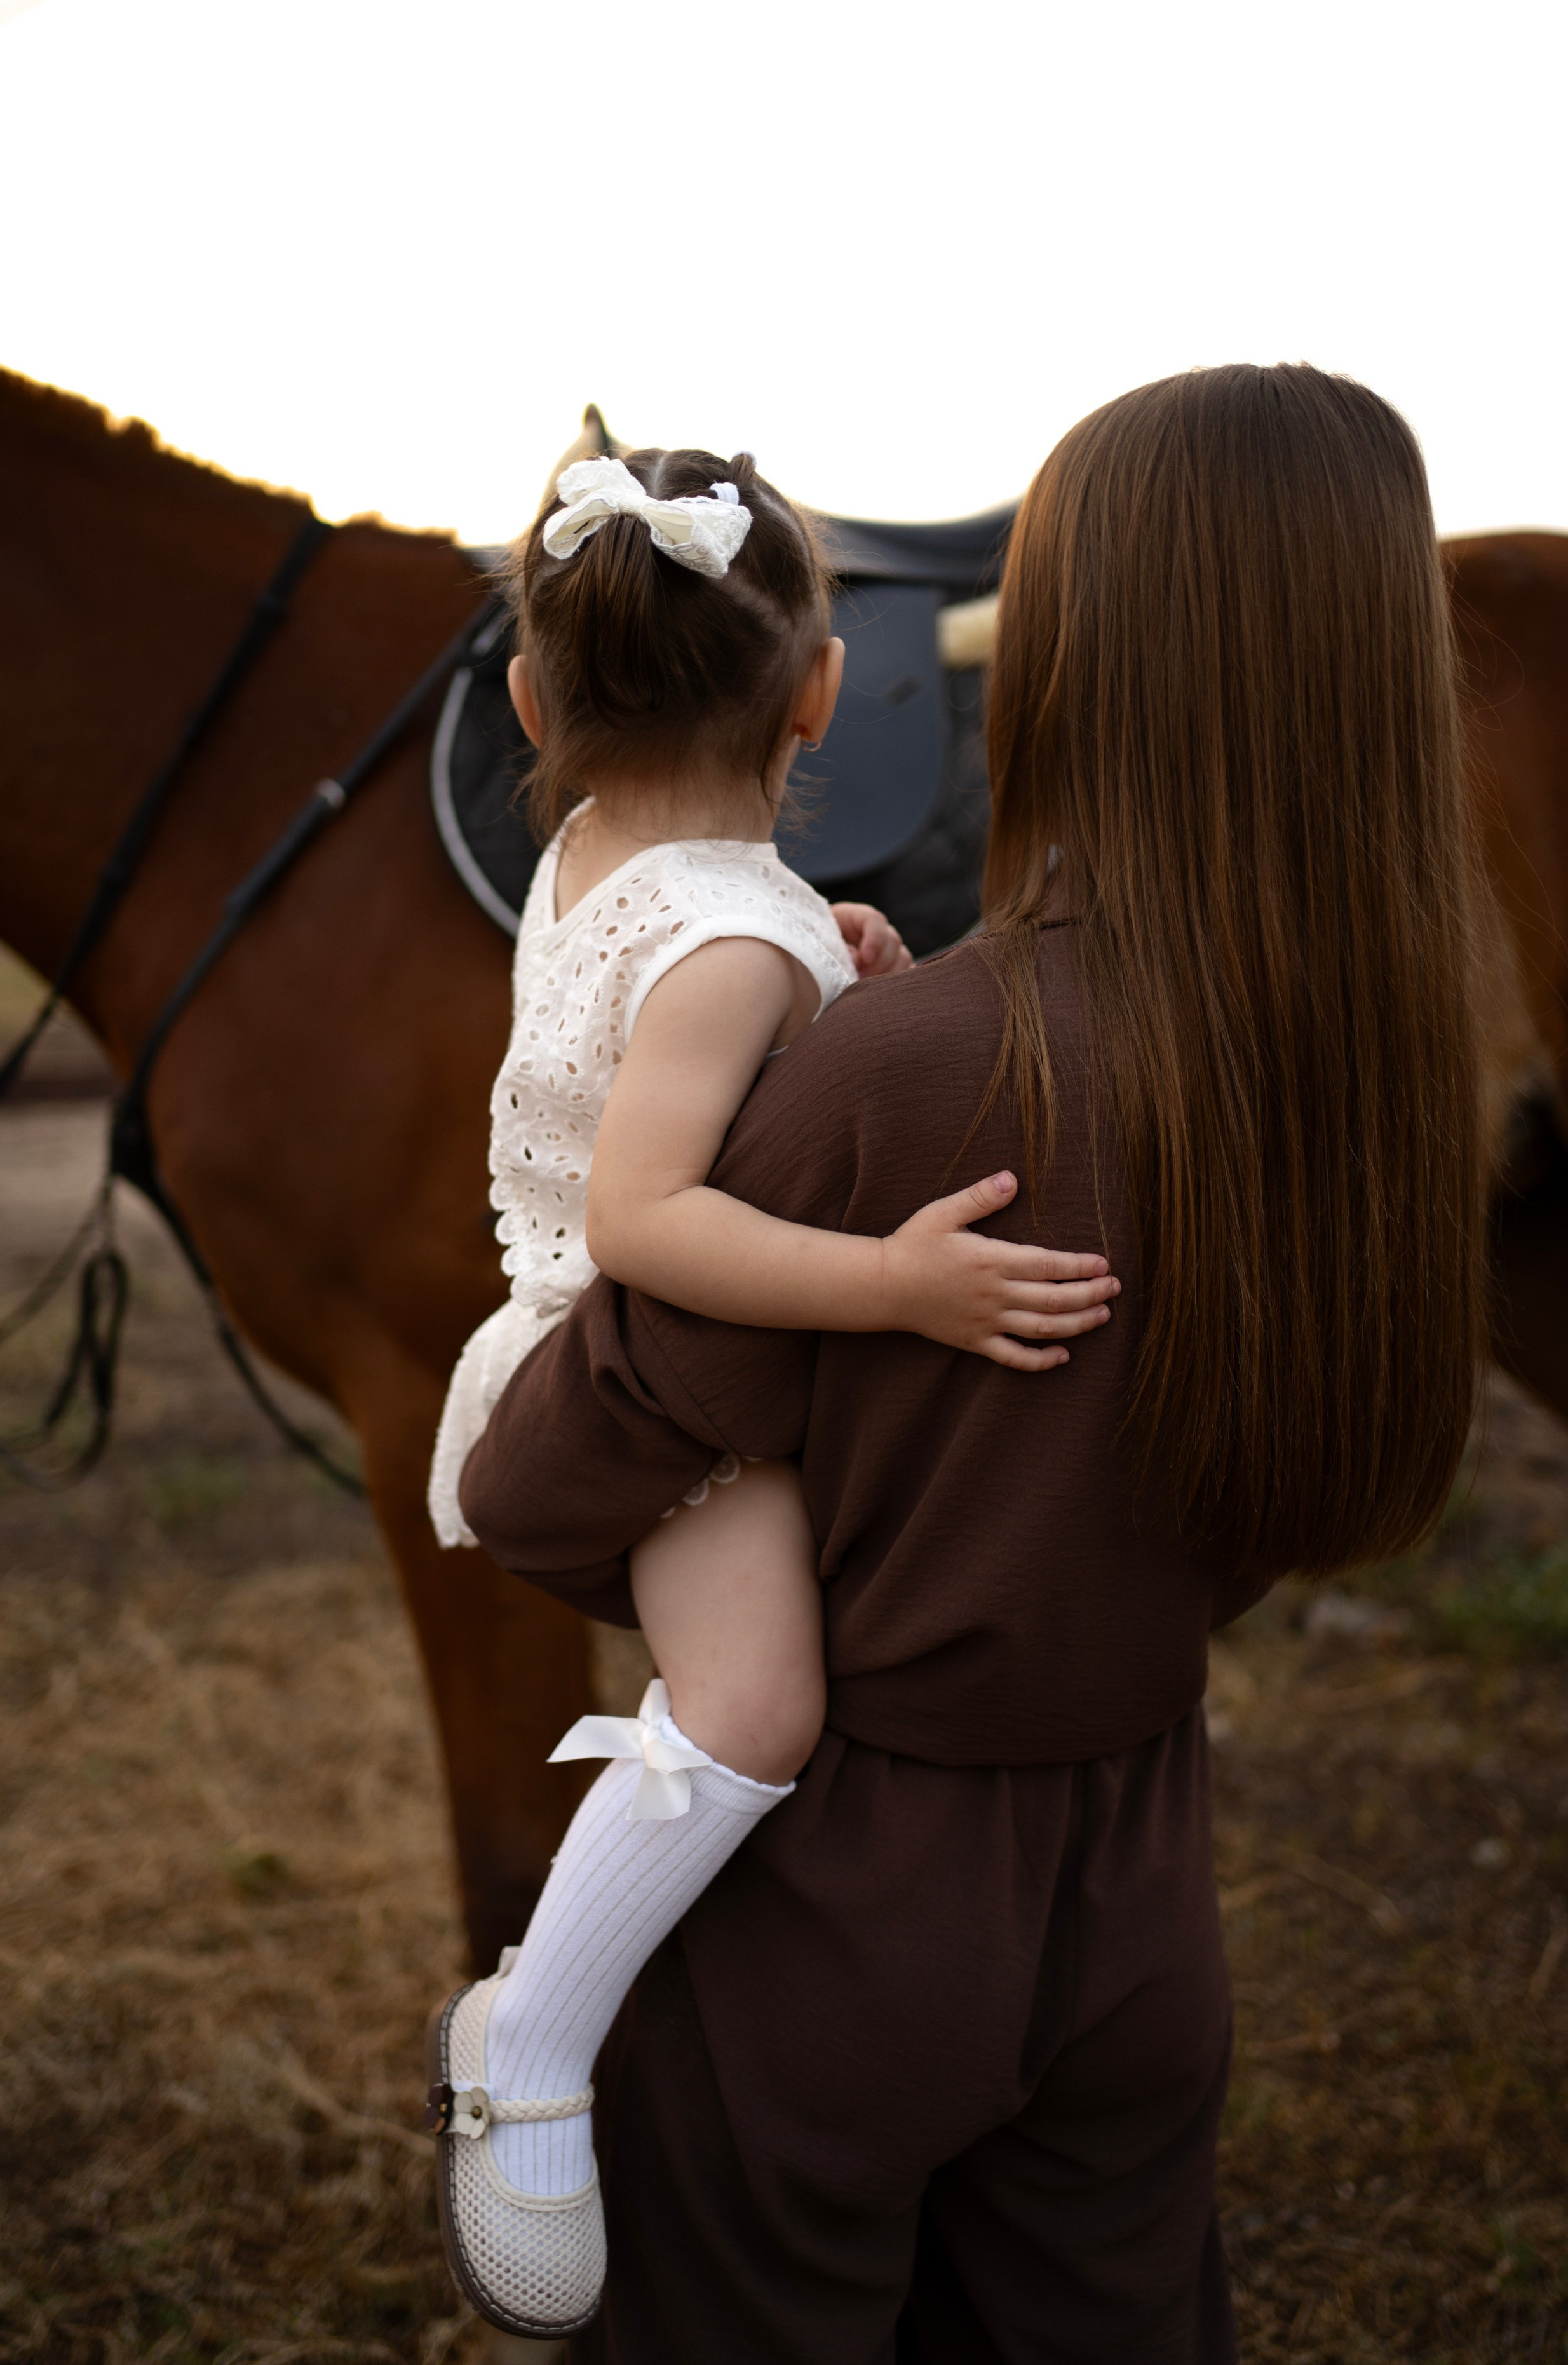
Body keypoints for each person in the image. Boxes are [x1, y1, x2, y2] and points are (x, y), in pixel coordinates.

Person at [446, 365, 1489, 2362]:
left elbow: (541, 1486)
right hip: (1144, 1880)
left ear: (1074, 655)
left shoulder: (911, 1066)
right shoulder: (1372, 1094)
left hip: (851, 1904)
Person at [424, 446, 1121, 2338]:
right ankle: (535, 2041)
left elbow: (686, 1001)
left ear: (529, 707)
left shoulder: (599, 863)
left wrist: (836, 965)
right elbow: (652, 1218)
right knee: (753, 1710)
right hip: (632, 1380)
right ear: (824, 693)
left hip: (575, 1314)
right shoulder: (734, 935)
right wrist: (896, 1281)